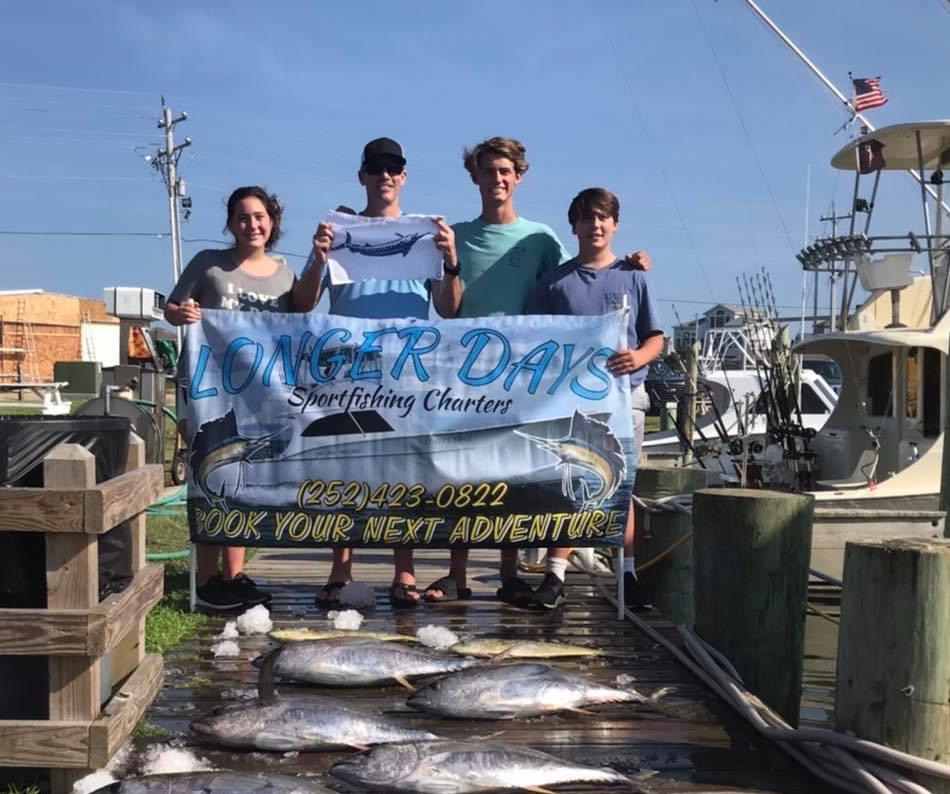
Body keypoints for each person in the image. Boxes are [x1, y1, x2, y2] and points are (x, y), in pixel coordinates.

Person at [423, 136, 647, 605]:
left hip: (525, 379)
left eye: (505, 171)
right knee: (460, 475)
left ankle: (509, 574)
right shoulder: (456, 235)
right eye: (489, 172)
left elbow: (581, 279)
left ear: (518, 176)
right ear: (476, 177)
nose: (497, 179)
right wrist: (449, 264)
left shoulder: (541, 238)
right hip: (466, 372)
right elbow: (447, 309)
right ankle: (455, 573)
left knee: (513, 477)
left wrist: (631, 265)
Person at [293, 137, 460, 610]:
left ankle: (403, 572)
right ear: (362, 176)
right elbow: (304, 303)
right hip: (349, 367)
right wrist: (320, 257)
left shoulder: (427, 232)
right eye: (376, 168)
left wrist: (451, 261)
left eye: (394, 168)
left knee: (403, 475)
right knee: (345, 471)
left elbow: (449, 309)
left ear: (403, 177)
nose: (385, 176)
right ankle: (341, 571)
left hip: (407, 370)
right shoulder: (336, 230)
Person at [525, 187, 664, 611]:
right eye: (587, 219)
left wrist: (638, 356)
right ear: (575, 227)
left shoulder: (635, 276)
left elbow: (655, 337)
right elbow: (531, 339)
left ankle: (628, 574)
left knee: (621, 485)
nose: (596, 225)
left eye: (603, 218)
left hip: (626, 398)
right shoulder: (554, 282)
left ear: (615, 224)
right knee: (568, 483)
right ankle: (555, 573)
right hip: (569, 402)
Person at [164, 185, 295, 614]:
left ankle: (234, 574)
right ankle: (207, 578)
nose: (251, 224)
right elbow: (172, 306)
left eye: (259, 216)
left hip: (256, 394)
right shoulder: (209, 263)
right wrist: (181, 313)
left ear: (271, 221)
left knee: (241, 479)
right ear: (230, 223)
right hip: (206, 389)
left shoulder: (285, 274)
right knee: (208, 476)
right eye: (242, 217)